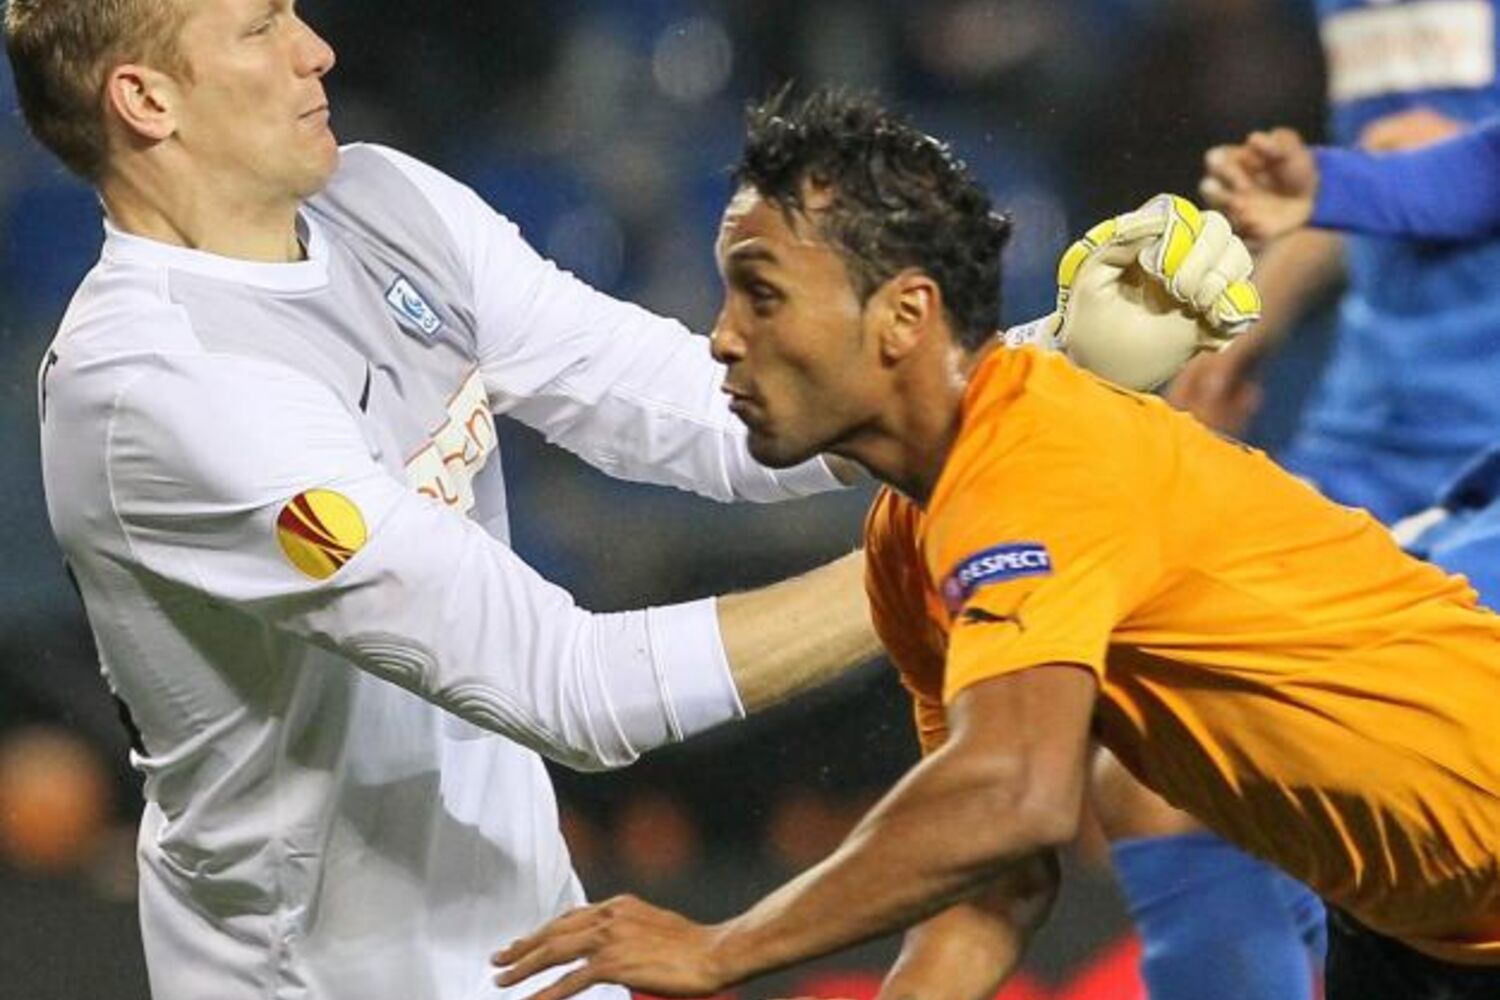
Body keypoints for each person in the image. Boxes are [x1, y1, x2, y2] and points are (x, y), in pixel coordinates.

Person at [3, 4, 1254, 999]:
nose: (315, 48)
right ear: (146, 99)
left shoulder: (383, 202)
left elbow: (707, 410)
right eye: (261, 25)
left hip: (536, 948)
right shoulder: (165, 390)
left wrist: (1054, 357)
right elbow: (569, 688)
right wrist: (953, 537)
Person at [494, 89, 1500, 1000]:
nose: (722, 336)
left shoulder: (1037, 456)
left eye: (761, 295)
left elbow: (1017, 794)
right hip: (1422, 939)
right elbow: (992, 878)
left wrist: (723, 947)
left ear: (904, 316)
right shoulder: (910, 540)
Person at [1096, 3, 1500, 994]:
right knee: (1157, 774)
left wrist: (1359, 178)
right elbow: (1429, 172)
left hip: (1476, 442)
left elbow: (1462, 168)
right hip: (1371, 442)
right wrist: (1256, 317)